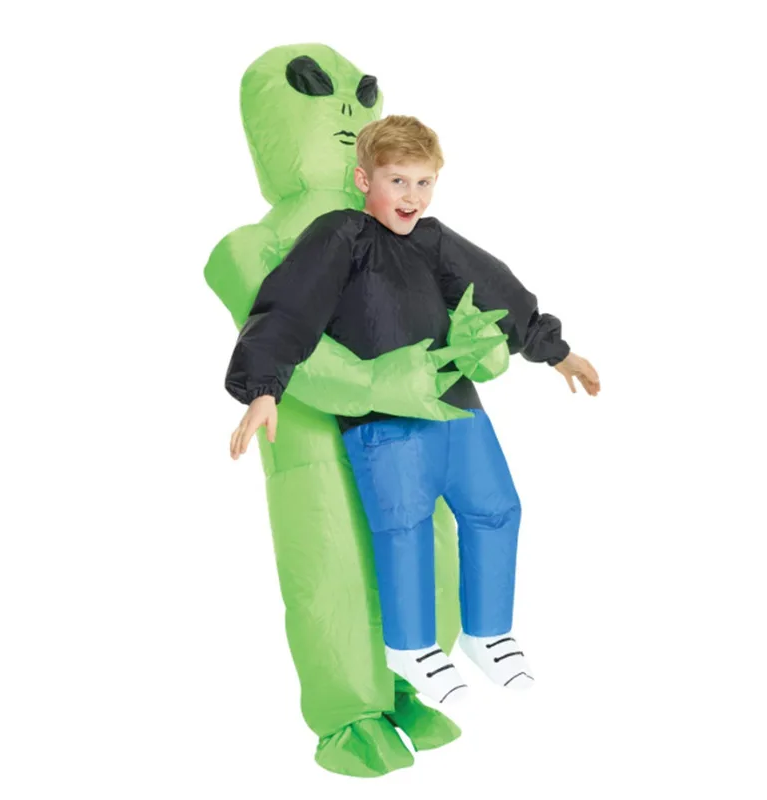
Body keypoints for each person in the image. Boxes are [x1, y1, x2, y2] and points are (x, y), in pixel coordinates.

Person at [225, 115, 600, 705]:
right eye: (398, 181)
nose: (412, 197)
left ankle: (488, 634)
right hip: (385, 420)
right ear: (363, 180)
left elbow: (496, 288)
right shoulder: (341, 235)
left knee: (496, 509)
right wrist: (264, 386)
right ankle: (412, 646)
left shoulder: (432, 240)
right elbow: (291, 304)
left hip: (456, 407)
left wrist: (554, 351)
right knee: (404, 527)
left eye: (424, 183)